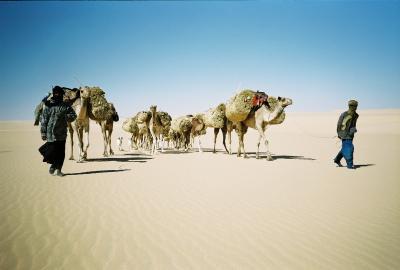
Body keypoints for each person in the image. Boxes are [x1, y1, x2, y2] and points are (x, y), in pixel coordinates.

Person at [40, 86, 77, 176]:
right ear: (53, 94)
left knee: (61, 153)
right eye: (56, 93)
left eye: (59, 93)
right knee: (51, 152)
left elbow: (73, 115)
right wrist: (43, 132)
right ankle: (53, 165)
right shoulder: (48, 106)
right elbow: (44, 120)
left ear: (61, 94)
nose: (57, 95)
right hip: (50, 134)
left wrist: (65, 117)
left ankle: (59, 170)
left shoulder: (66, 106)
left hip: (61, 134)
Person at [334, 100, 359, 169]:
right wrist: (339, 134)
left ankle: (337, 160)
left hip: (351, 135)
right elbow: (339, 125)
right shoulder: (344, 114)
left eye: (356, 106)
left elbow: (353, 124)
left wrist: (354, 129)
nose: (355, 107)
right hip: (344, 135)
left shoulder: (356, 115)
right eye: (353, 106)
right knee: (349, 148)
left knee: (344, 148)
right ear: (349, 106)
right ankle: (350, 164)